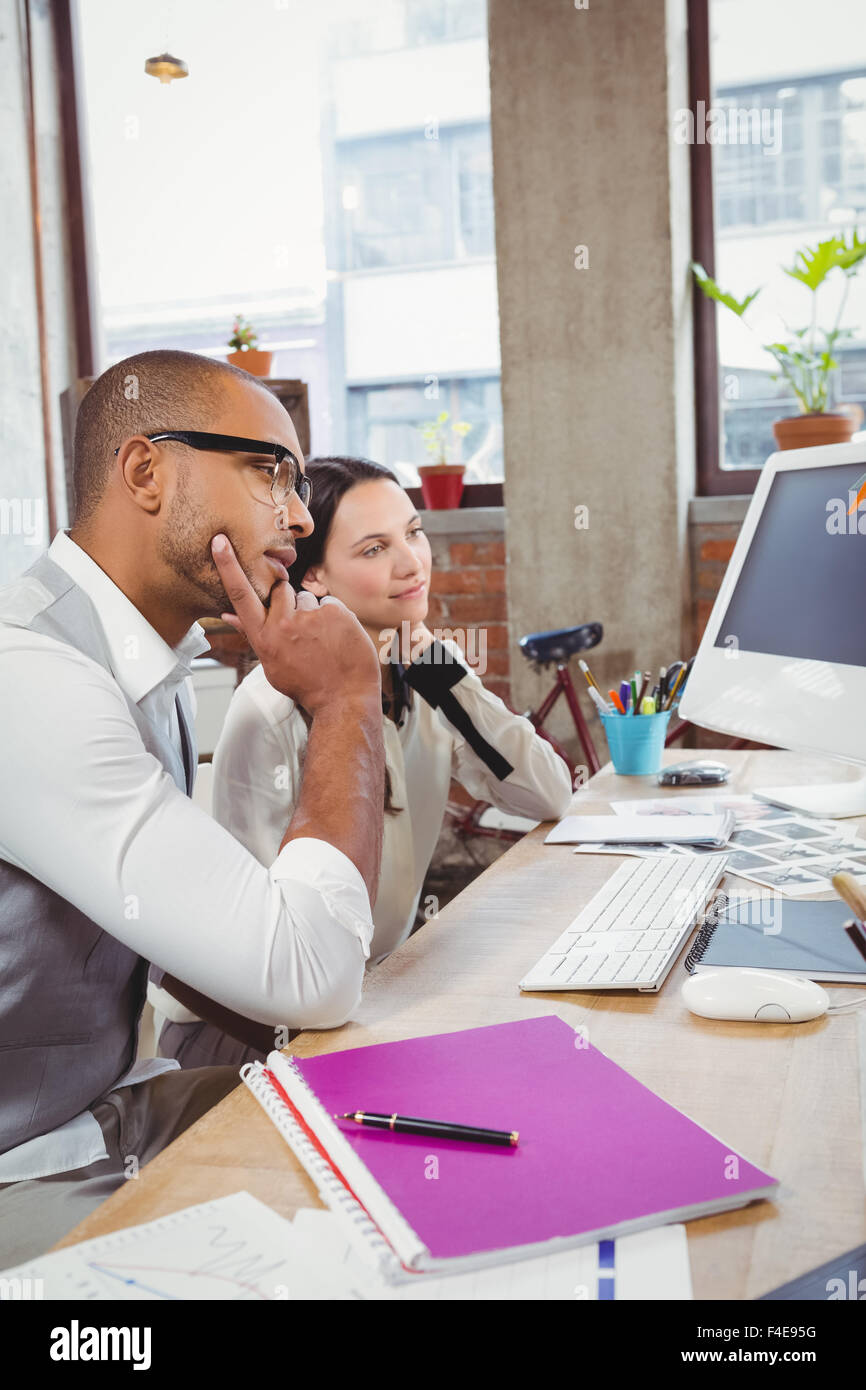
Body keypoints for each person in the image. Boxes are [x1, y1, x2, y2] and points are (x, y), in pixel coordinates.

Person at [0, 353, 385, 1265]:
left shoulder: (154, 664)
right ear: (145, 471)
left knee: (419, 1163)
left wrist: (370, 1032)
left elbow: (184, 950)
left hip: (113, 1108)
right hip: (29, 1164)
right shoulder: (32, 676)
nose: (297, 515)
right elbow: (307, 971)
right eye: (268, 472)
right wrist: (345, 702)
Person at [151, 456, 573, 1068]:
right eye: (375, 549)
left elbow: (549, 796)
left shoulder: (426, 679)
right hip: (251, 1031)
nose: (411, 562)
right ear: (315, 574)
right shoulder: (269, 709)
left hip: (366, 1000)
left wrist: (443, 672)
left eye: (414, 532)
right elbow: (262, 949)